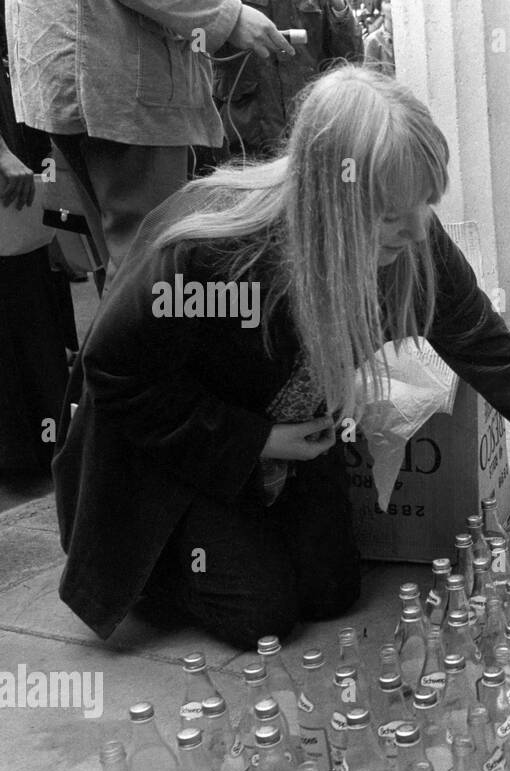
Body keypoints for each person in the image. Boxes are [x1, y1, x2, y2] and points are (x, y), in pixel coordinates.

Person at [52, 66, 510, 648]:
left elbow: (503, 360)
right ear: (329, 208)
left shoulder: (409, 235)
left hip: (296, 437)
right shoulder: (213, 249)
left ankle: (249, 527)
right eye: (394, 215)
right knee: (264, 614)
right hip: (178, 448)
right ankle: (153, 564)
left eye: (426, 202)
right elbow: (113, 372)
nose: (419, 230)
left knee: (332, 590)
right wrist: (257, 442)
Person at [5, 0, 293, 281]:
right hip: (115, 79)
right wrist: (228, 15)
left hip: (80, 71)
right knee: (150, 270)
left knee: (128, 266)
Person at [1, 15, 75, 477]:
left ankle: (42, 445)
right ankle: (23, 451)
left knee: (32, 293)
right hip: (9, 147)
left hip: (25, 133)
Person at [213, 0, 362, 160]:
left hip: (309, 133)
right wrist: (229, 19)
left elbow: (351, 60)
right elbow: (195, 42)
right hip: (245, 140)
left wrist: (339, 9)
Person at [363, 0, 396, 76]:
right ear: (381, 11)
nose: (394, 4)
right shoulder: (373, 41)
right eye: (388, 1)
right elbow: (370, 77)